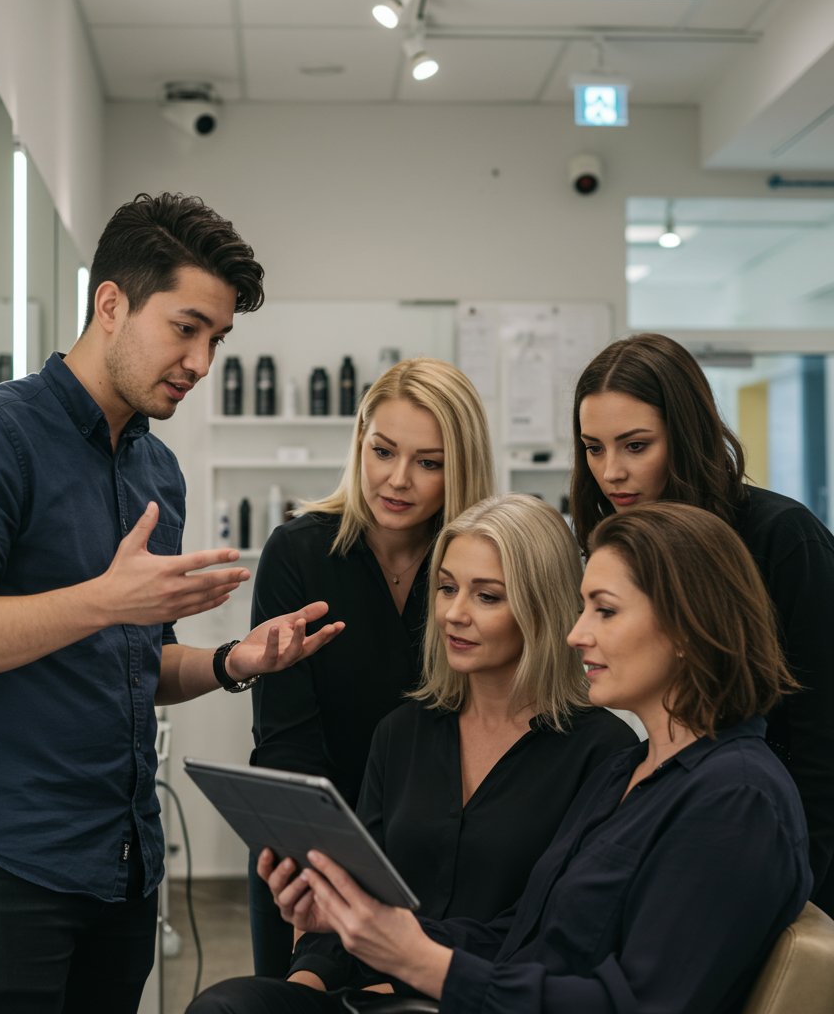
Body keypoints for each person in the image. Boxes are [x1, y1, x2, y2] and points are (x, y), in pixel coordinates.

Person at [0, 192, 344, 1014]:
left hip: (123, 861)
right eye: (186, 328)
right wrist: (104, 600)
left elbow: (140, 661)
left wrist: (232, 662)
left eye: (217, 338)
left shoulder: (155, 472)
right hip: (4, 856)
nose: (202, 362)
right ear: (111, 303)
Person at [190, 502, 811, 1014]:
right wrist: (360, 922)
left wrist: (421, 962)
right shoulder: (638, 771)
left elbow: (638, 1004)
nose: (576, 633)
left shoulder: (735, 798)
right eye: (584, 606)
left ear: (687, 628)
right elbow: (519, 936)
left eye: (606, 611)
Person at [284, 493, 636, 994]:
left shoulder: (604, 752)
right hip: (363, 989)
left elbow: (546, 931)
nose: (454, 613)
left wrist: (397, 984)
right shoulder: (401, 732)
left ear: (542, 607)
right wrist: (305, 984)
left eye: (487, 596)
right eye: (447, 588)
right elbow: (354, 896)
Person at [570, 331, 834, 915]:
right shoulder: (617, 543)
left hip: (783, 846)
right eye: (593, 447)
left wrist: (799, 893)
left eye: (636, 446)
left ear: (686, 437)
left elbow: (824, 737)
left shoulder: (783, 539)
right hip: (686, 826)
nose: (611, 472)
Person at [248, 357, 495, 975]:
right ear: (360, 438)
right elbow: (285, 745)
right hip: (312, 858)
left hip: (442, 868)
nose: (397, 480)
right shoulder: (298, 553)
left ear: (460, 469)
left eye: (429, 463)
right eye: (383, 450)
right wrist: (317, 878)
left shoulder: (478, 570)